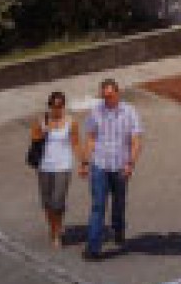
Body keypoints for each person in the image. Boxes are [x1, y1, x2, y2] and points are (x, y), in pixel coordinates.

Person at [79, 77, 144, 259]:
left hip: (120, 166)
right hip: (100, 165)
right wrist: (84, 162)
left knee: (118, 203)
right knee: (98, 206)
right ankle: (93, 248)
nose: (107, 99)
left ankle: (118, 230)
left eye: (110, 95)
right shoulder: (95, 112)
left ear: (117, 93)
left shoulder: (130, 112)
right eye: (104, 96)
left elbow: (136, 140)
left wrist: (131, 163)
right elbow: (91, 139)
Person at [29, 89, 77, 250]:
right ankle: (53, 228)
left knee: (58, 201)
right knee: (47, 202)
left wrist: (84, 161)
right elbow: (34, 140)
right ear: (49, 106)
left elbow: (75, 142)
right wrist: (44, 131)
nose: (57, 109)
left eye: (60, 106)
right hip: (44, 166)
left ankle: (57, 234)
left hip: (63, 166)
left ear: (64, 106)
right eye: (54, 106)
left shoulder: (71, 122)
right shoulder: (41, 122)